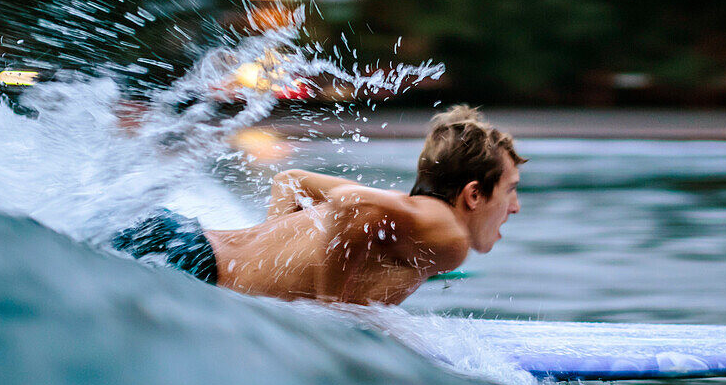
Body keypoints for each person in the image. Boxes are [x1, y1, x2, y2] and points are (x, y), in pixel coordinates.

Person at [113, 105, 525, 305]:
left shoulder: (410, 216)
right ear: (473, 195)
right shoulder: (450, 237)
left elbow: (289, 183)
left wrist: (268, 252)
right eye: (510, 190)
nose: (516, 207)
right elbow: (353, 207)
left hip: (180, 243)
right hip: (188, 265)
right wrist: (331, 315)